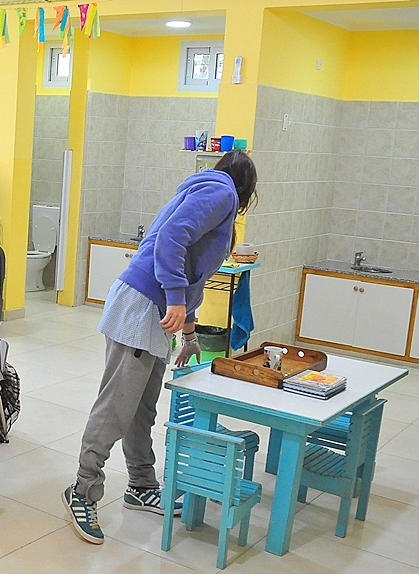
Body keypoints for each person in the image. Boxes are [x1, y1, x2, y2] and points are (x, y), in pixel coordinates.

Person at [62, 150, 258, 545]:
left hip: (156, 309)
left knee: (141, 408)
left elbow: (193, 274)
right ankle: (81, 490)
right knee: (117, 405)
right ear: (246, 190)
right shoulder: (222, 193)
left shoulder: (211, 194)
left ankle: (140, 485)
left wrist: (188, 332)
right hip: (141, 305)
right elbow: (172, 238)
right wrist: (173, 299)